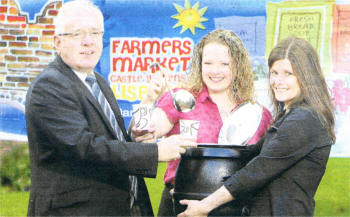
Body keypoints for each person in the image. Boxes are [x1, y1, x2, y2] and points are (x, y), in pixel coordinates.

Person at [25, 0, 196, 216]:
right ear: (57, 42)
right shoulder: (49, 86)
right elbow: (86, 147)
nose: (88, 42)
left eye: (95, 33)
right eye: (77, 34)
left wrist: (137, 134)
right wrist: (155, 152)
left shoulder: (97, 81)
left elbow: (114, 143)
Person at [177, 36, 336, 216]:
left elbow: (257, 170)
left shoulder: (305, 120)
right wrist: (191, 183)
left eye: (288, 74)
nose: (278, 81)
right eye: (274, 73)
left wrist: (205, 206)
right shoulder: (290, 116)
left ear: (307, 76)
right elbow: (249, 153)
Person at [132, 29, 273, 216]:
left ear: (238, 66)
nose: (215, 71)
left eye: (224, 64)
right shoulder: (181, 99)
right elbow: (140, 135)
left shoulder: (258, 114)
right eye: (208, 63)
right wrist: (149, 100)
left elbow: (265, 169)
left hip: (236, 208)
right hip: (182, 205)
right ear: (199, 65)